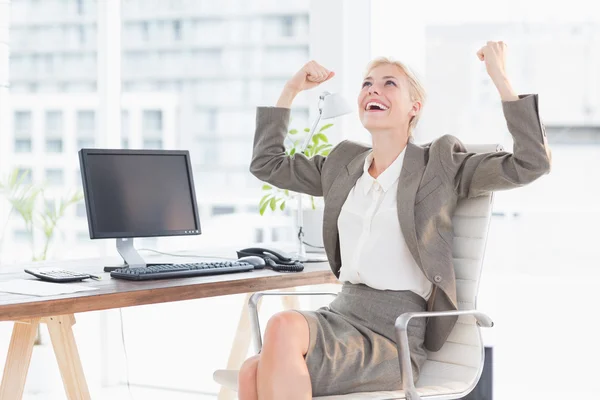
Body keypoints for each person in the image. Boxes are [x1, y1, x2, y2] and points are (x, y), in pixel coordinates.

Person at [239, 41, 551, 400]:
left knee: (279, 330)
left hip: (392, 334)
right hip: (340, 314)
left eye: (389, 84)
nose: (374, 89)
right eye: (367, 83)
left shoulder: (440, 163)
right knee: (251, 370)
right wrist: (291, 90)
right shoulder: (344, 164)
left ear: (413, 108)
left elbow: (531, 163)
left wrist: (500, 78)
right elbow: (267, 163)